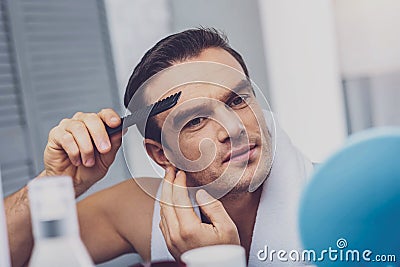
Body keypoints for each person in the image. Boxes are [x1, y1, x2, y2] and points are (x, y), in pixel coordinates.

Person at [5, 28, 313, 267]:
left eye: (237, 100)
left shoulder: (341, 201)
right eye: (195, 120)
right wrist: (54, 183)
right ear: (161, 154)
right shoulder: (138, 211)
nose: (233, 129)